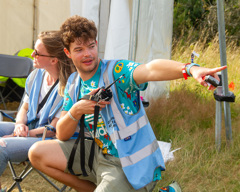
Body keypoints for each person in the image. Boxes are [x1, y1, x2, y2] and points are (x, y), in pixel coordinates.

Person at [28, 15, 227, 192]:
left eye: (91, 46)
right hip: (97, 155)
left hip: (129, 163)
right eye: (79, 49)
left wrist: (190, 69)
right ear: (68, 53)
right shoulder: (73, 82)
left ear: (97, 44)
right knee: (36, 153)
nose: (87, 53)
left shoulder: (116, 71)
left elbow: (150, 69)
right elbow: (62, 134)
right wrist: (77, 109)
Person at [0, 30, 75, 191]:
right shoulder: (35, 75)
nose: (32, 54)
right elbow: (24, 107)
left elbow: (53, 130)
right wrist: (19, 124)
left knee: (0, 149)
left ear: (54, 60)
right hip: (30, 129)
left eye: (38, 52)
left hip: (47, 139)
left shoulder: (70, 86)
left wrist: (23, 133)